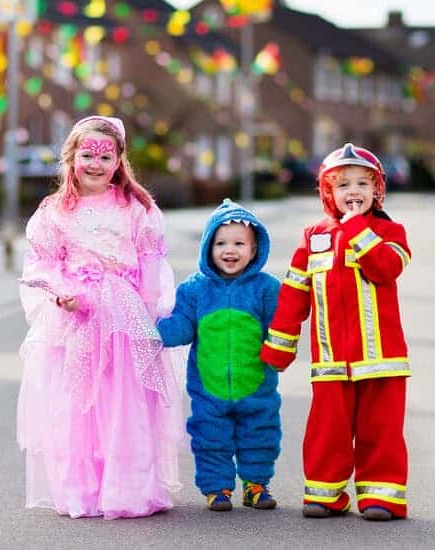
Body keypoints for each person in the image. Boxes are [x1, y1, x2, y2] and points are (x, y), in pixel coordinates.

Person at [16, 115, 183, 519]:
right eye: (86, 154)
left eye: (104, 156)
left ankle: (129, 488)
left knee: (123, 404)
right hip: (76, 322)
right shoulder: (54, 212)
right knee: (77, 406)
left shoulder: (135, 209)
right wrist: (61, 295)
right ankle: (81, 490)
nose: (95, 163)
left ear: (119, 162)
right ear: (71, 158)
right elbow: (40, 264)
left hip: (124, 320)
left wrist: (148, 315)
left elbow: (151, 264)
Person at [260, 143, 412, 521]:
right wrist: (280, 346)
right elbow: (294, 294)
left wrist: (357, 228)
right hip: (331, 361)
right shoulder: (312, 237)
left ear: (378, 190)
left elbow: (385, 269)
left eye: (363, 183)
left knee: (381, 430)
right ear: (328, 192)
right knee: (328, 431)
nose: (354, 191)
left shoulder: (391, 231)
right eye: (343, 185)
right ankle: (325, 494)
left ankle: (382, 497)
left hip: (382, 361)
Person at [156, 199, 282, 512]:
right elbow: (182, 327)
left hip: (256, 385)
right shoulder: (194, 290)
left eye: (240, 243)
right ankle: (217, 488)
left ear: (254, 250)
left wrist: (282, 347)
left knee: (260, 435)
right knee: (211, 438)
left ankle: (256, 486)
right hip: (208, 389)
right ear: (208, 248)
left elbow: (280, 327)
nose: (230, 250)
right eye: (221, 243)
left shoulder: (266, 289)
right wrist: (155, 328)